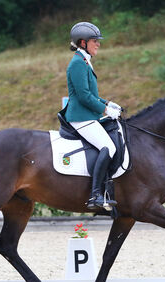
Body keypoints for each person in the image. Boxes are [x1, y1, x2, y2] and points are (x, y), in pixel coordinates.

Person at [64, 22, 122, 210]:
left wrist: (107, 103)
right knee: (108, 147)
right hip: (80, 117)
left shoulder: (85, 61)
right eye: (95, 41)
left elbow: (92, 95)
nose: (98, 44)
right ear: (83, 42)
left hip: (88, 115)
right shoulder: (77, 64)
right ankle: (95, 194)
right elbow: (84, 96)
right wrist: (105, 111)